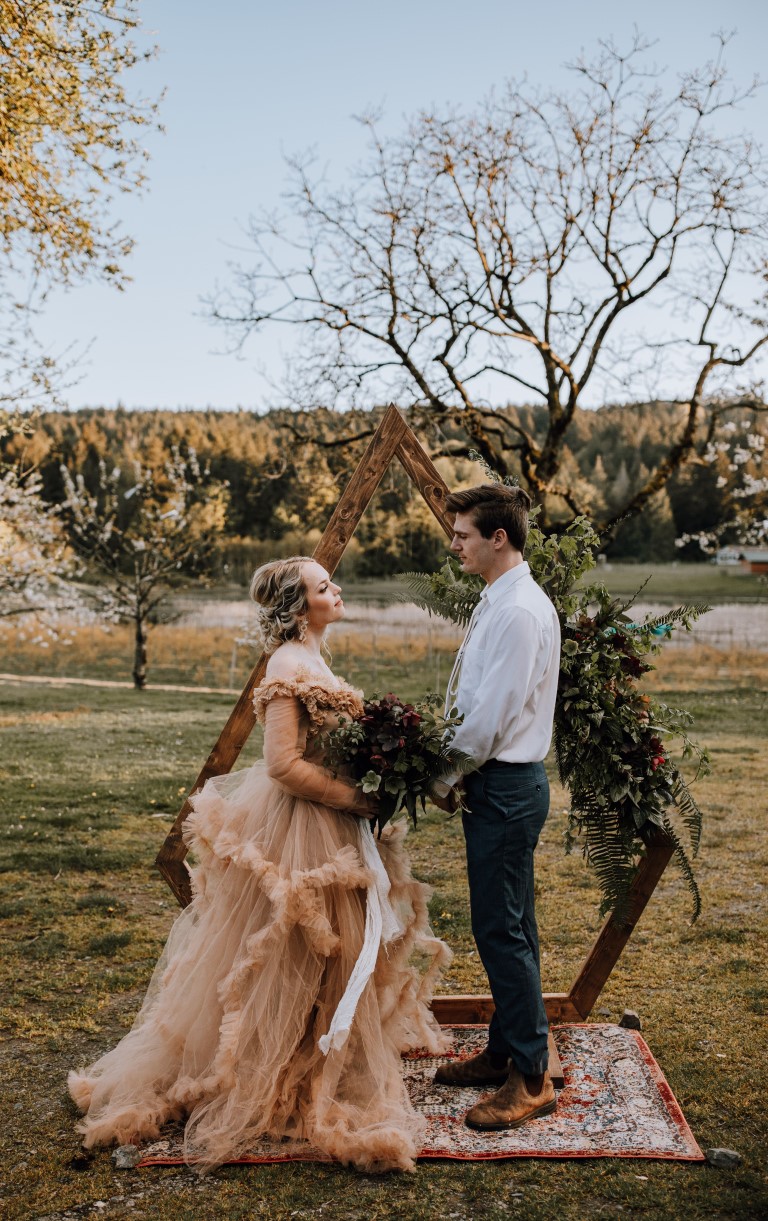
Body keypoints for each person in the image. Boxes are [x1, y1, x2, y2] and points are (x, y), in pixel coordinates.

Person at [68, 556, 450, 1173]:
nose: (338, 589)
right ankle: (265, 1077)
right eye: (325, 587)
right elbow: (281, 765)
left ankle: (311, 1059)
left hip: (330, 824)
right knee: (293, 952)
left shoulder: (312, 658)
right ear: (300, 608)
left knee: (332, 953)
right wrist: (357, 797)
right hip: (301, 827)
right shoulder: (287, 665)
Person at [431, 485, 561, 1131]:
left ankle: (532, 1077)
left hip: (505, 784)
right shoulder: (500, 600)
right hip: (500, 783)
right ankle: (506, 1049)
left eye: (462, 534)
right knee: (513, 924)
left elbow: (490, 716)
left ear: (497, 537)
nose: (454, 542)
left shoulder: (518, 612)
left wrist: (444, 773)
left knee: (500, 929)